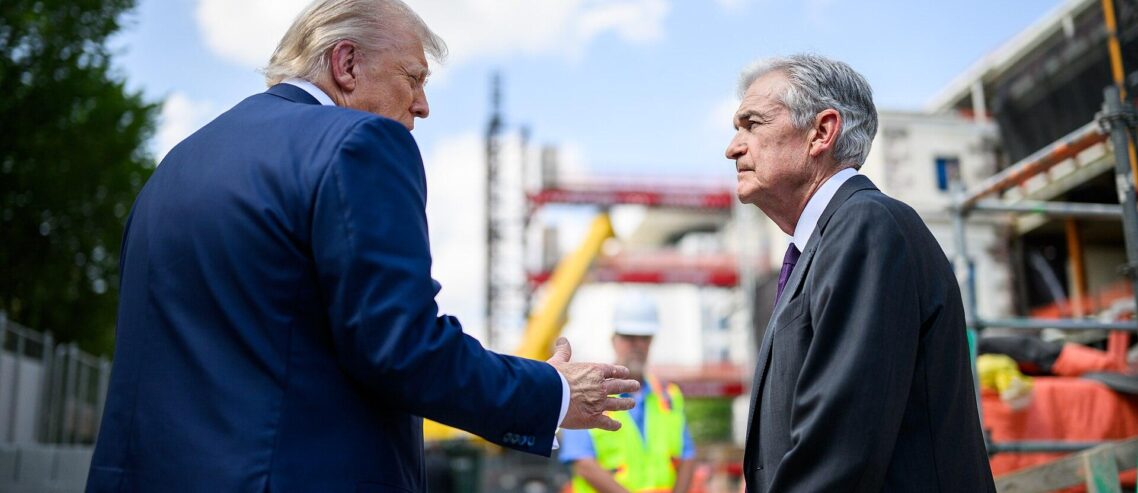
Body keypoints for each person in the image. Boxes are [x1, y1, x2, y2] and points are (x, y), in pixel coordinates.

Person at [86, 1, 638, 491]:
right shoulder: (360, 144)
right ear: (346, 63)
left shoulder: (174, 169)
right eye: (413, 77)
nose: (422, 105)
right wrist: (550, 392)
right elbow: (402, 347)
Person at [725, 54, 995, 492]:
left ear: (822, 132)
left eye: (752, 124)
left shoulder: (864, 226)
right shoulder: (828, 242)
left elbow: (838, 451)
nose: (733, 147)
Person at [560, 295, 696, 493]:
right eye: (629, 337)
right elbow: (583, 464)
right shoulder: (587, 393)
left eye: (644, 337)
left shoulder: (669, 396)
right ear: (614, 340)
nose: (637, 345)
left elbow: (687, 455)